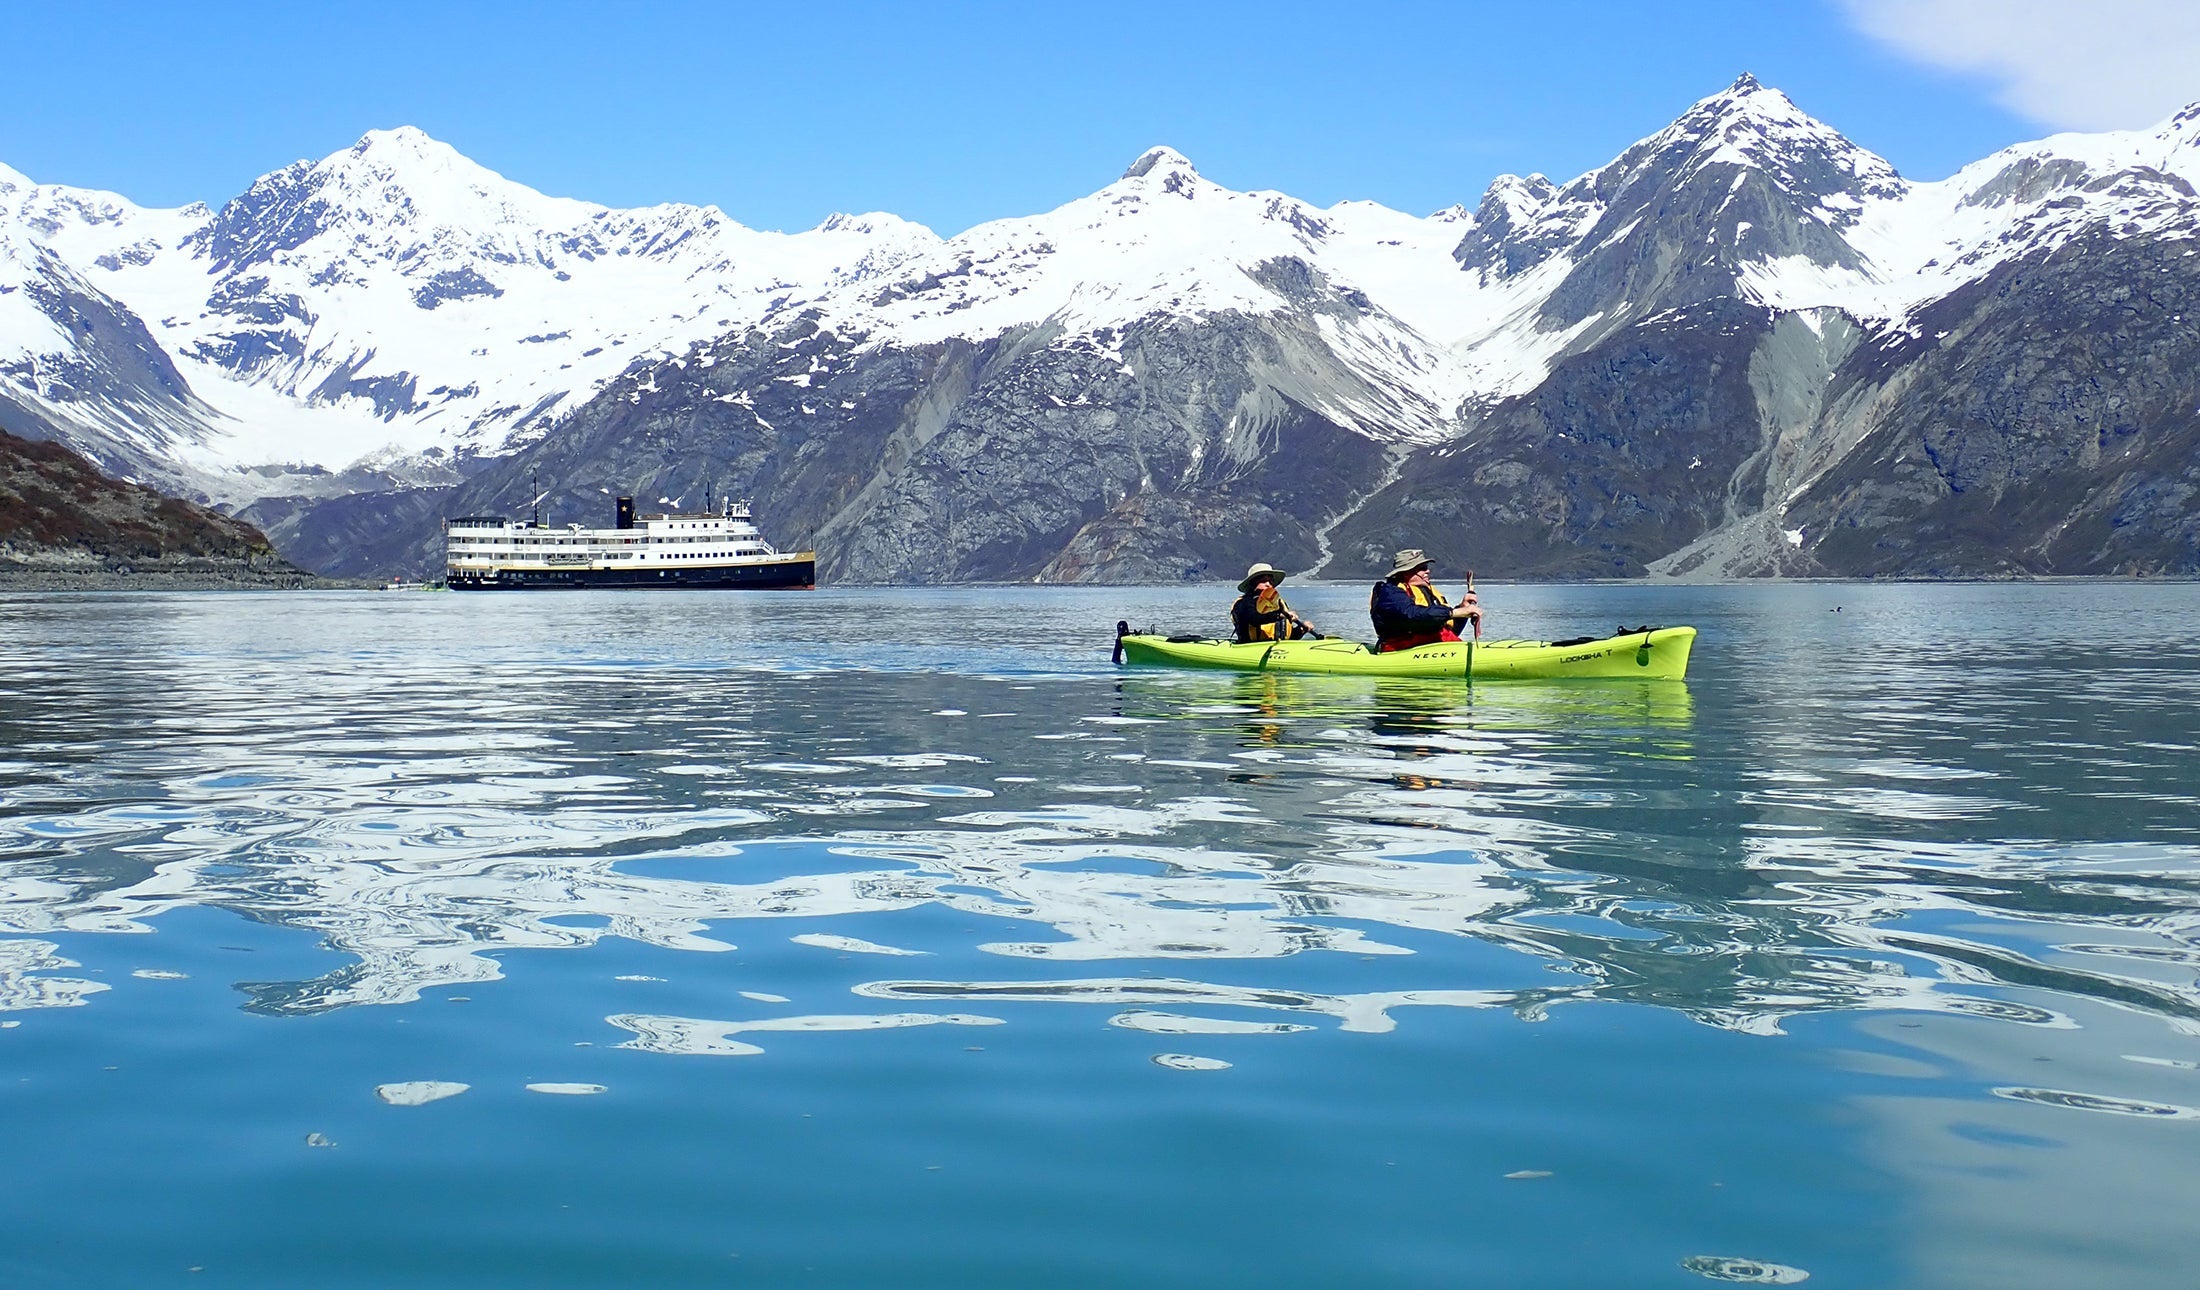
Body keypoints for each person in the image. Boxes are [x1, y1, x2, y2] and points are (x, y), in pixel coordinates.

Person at [1369, 548, 1480, 652]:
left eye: (1427, 567)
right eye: (1422, 569)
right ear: (1406, 572)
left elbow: (1449, 629)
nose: (1427, 571)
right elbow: (1412, 614)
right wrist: (1453, 612)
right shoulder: (1390, 593)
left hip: (1430, 645)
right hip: (1401, 648)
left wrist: (1463, 607)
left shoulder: (1425, 591)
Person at [1230, 562, 1319, 642]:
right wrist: (1280, 615)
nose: (1268, 584)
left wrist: (1301, 629)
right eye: (1263, 581)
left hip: (1278, 649)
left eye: (1270, 581)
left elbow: (1288, 637)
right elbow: (1254, 619)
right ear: (1253, 583)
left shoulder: (1279, 604)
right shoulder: (1243, 603)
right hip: (1251, 648)